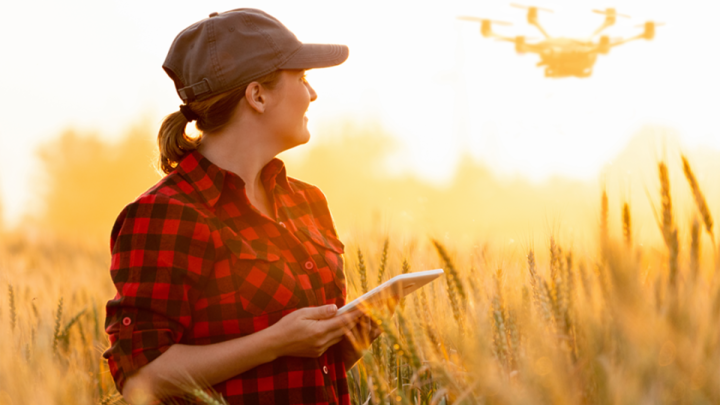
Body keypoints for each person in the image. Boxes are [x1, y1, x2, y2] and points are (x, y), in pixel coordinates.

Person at [103, 8, 382, 405]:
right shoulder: (167, 213)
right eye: (302, 78)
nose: (313, 94)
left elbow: (305, 366)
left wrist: (346, 335)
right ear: (257, 95)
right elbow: (141, 380)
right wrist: (276, 342)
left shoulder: (307, 202)